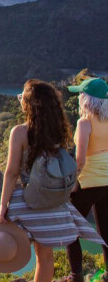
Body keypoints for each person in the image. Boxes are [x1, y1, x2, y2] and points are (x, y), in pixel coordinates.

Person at [0, 79, 105, 282]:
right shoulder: (59, 132)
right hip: (52, 205)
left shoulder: (20, 132)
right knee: (45, 258)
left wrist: (3, 205)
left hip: (24, 201)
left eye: (22, 97)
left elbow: (11, 173)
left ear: (29, 105)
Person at [65, 77, 108, 282]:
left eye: (81, 94)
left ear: (87, 99)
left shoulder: (84, 123)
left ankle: (76, 276)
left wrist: (72, 184)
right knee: (106, 230)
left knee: (70, 228)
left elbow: (80, 159)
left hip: (89, 181)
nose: (79, 97)